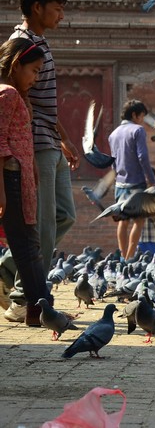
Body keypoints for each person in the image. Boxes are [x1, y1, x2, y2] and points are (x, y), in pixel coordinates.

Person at [5, 0, 78, 323]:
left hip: (49, 139)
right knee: (43, 224)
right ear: (37, 7)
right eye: (57, 8)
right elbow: (20, 97)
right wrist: (28, 152)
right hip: (33, 144)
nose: (61, 15)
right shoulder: (22, 43)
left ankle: (7, 269)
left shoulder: (40, 42)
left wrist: (64, 137)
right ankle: (25, 299)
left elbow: (45, 103)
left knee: (64, 215)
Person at [0, 37, 54, 326]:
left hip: (20, 180)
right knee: (26, 247)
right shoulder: (7, 94)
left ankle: (41, 310)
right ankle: (41, 310)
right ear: (15, 64)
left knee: (28, 246)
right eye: (33, 70)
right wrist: (2, 193)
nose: (35, 78)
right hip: (11, 180)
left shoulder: (15, 94)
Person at [108, 99, 155, 261]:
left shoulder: (113, 134)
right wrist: (151, 180)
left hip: (120, 183)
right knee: (139, 221)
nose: (142, 120)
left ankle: (123, 257)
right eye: (141, 116)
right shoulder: (138, 130)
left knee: (123, 221)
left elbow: (113, 162)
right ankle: (129, 258)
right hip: (136, 182)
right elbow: (142, 157)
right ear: (135, 115)